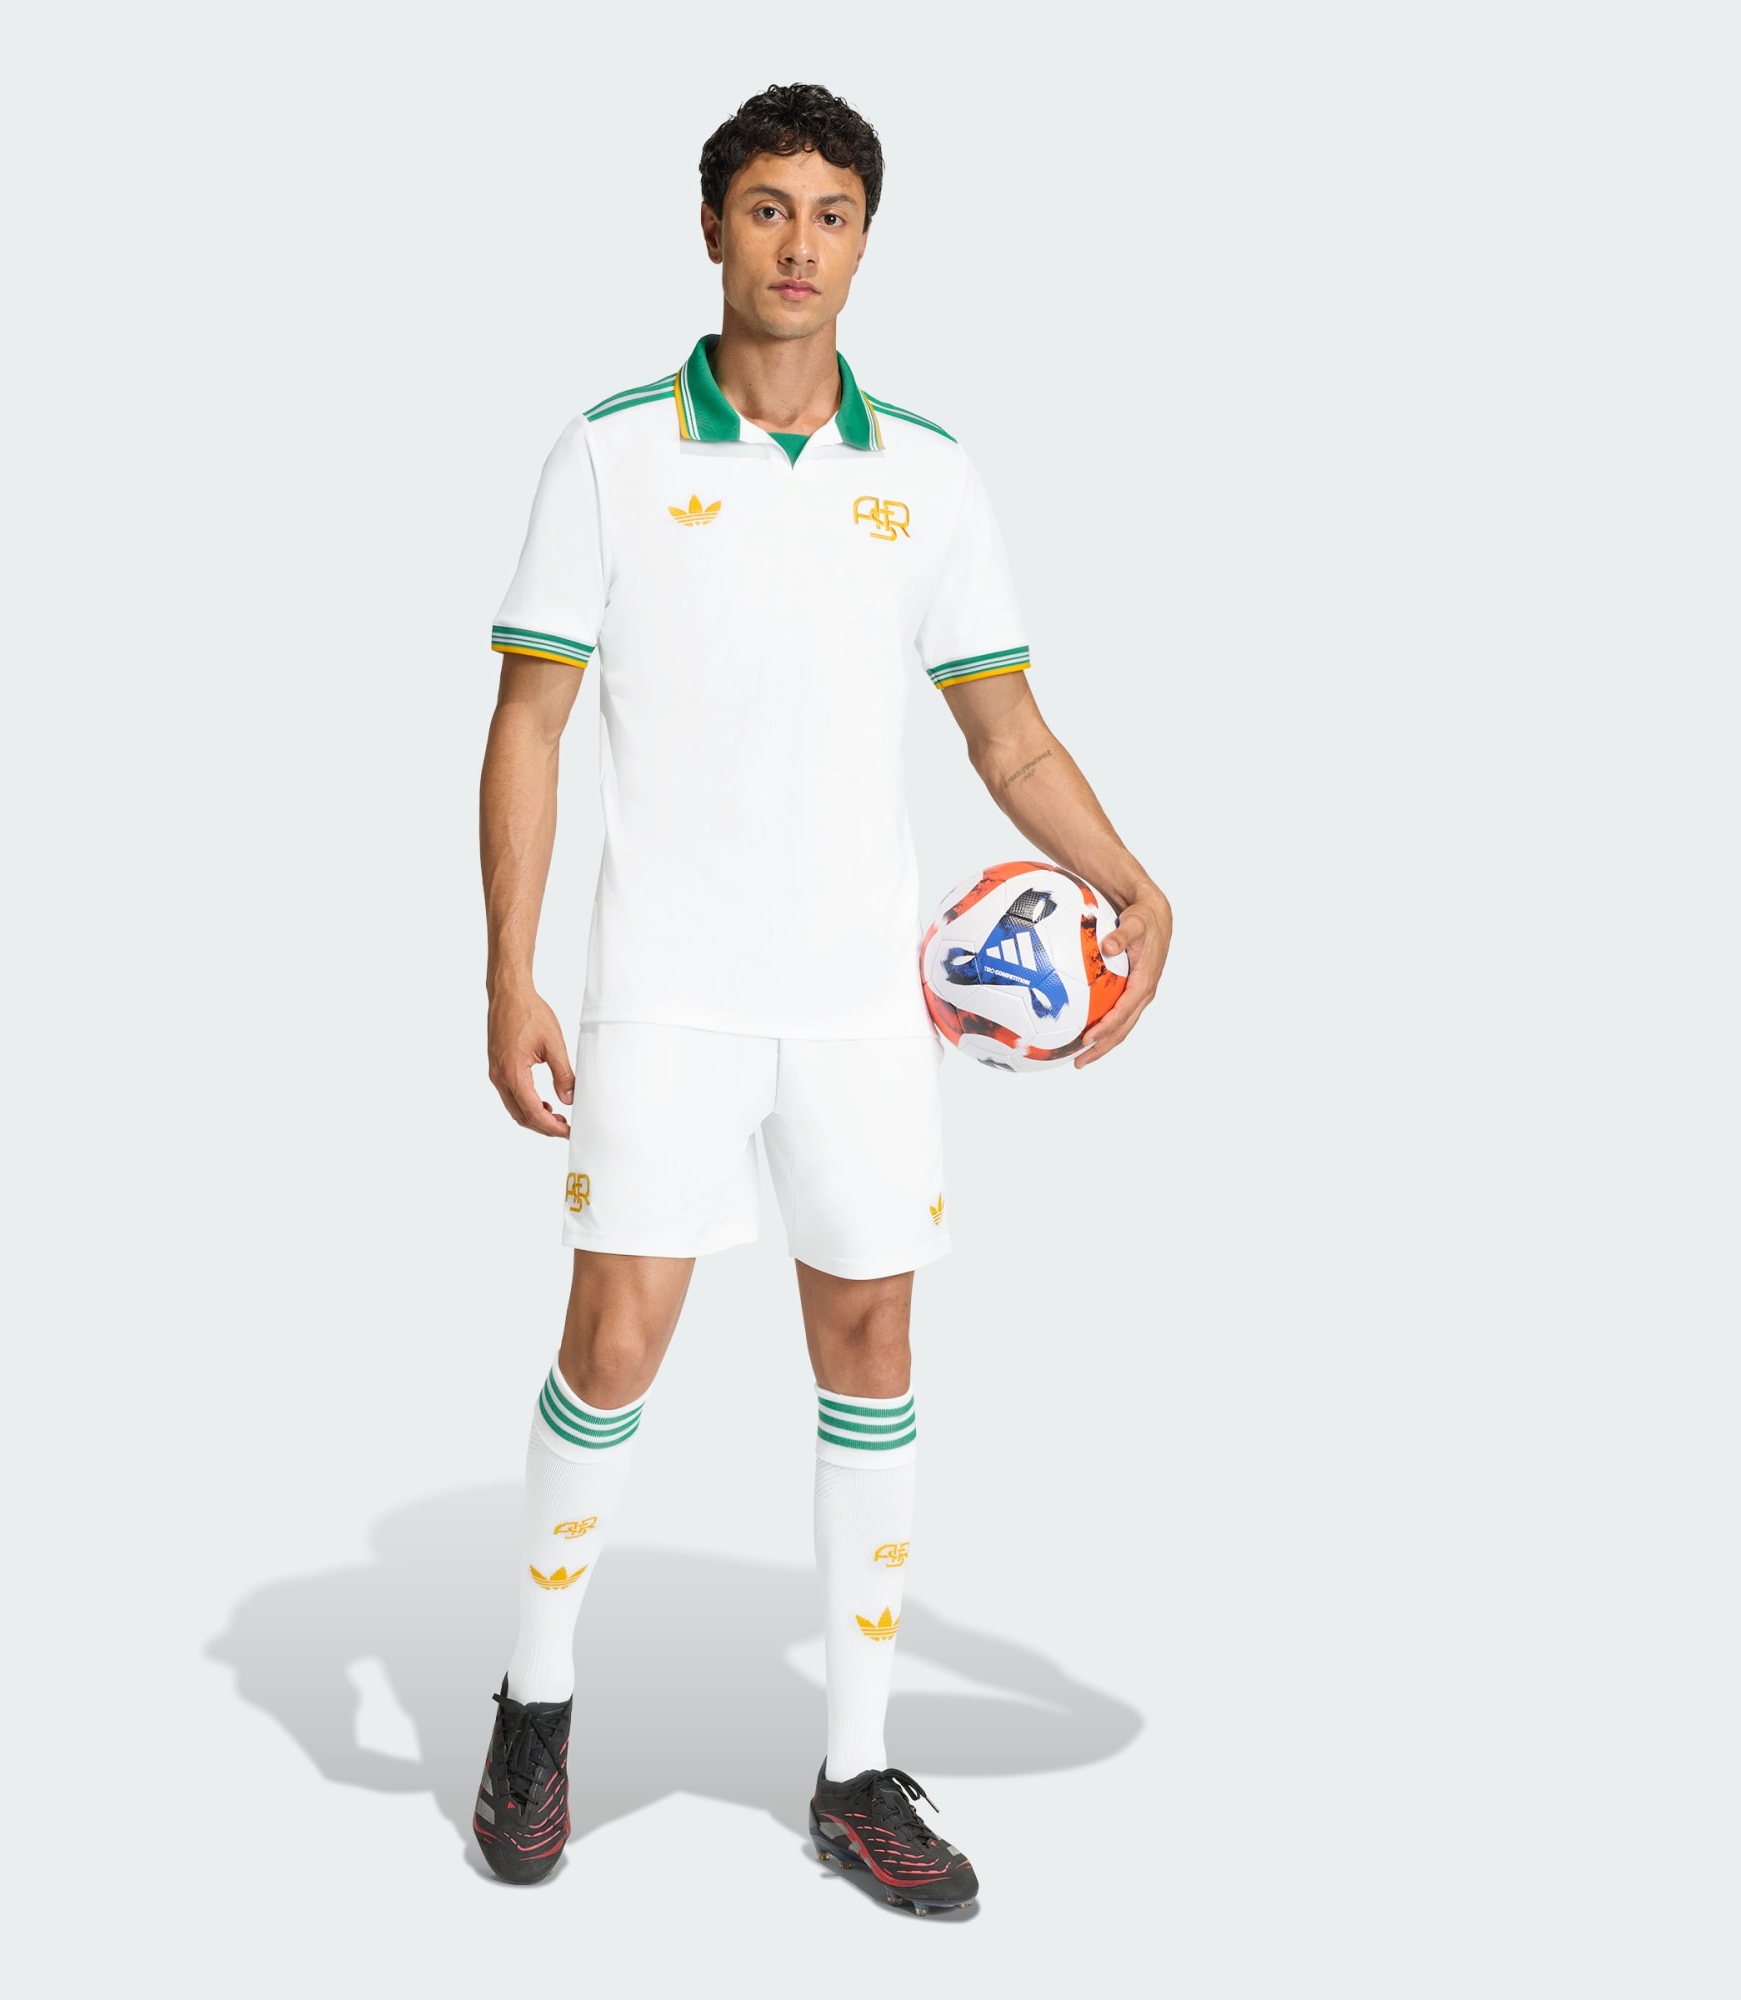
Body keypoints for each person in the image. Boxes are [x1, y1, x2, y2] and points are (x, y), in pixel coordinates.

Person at [473, 81, 1171, 1910]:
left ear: (867, 239)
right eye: (768, 208)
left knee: (872, 1354)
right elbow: (529, 723)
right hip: (664, 994)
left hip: (865, 1007)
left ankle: (855, 1769)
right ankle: (534, 1706)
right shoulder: (610, 453)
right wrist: (509, 969)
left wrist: (1129, 880)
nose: (799, 243)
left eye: (832, 213)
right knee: (614, 1344)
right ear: (711, 228)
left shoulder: (927, 473)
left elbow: (1007, 735)